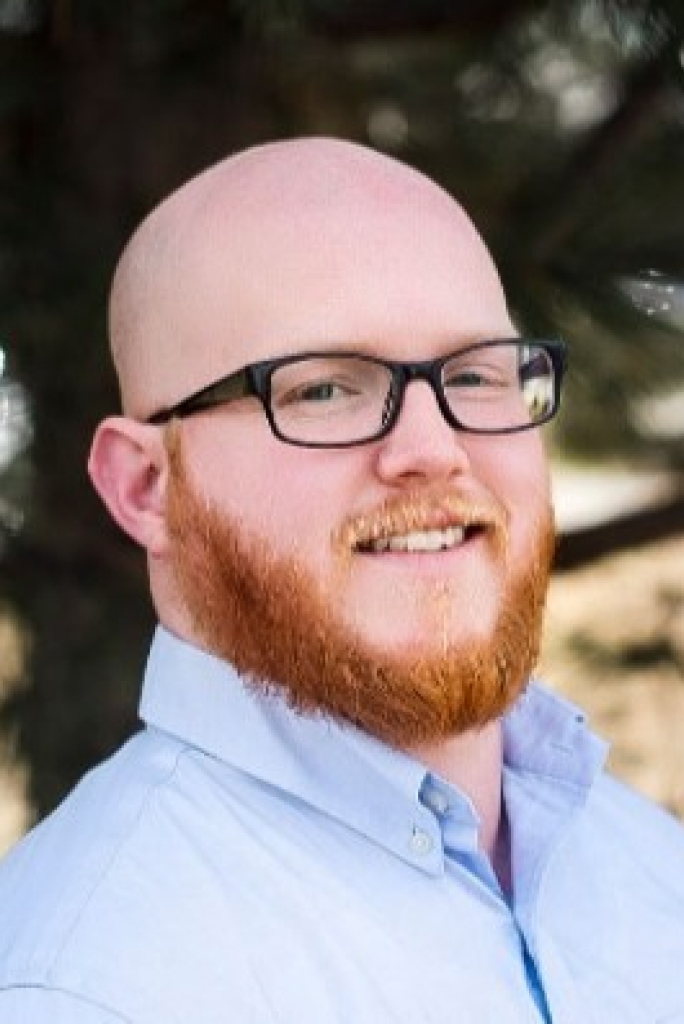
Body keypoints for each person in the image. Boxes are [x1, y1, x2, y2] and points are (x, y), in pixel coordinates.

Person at [0, 137, 683, 1024]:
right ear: (146, 488)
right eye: (323, 390)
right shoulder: (91, 989)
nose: (433, 449)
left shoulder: (648, 869)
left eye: (476, 375)